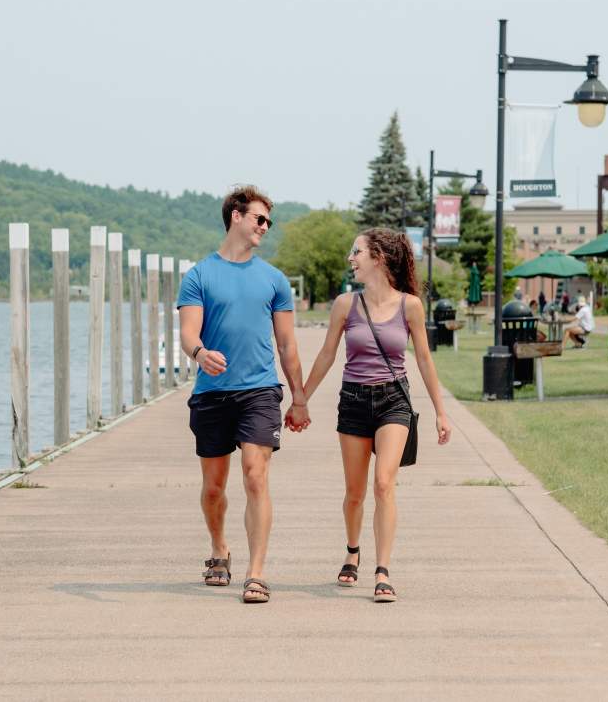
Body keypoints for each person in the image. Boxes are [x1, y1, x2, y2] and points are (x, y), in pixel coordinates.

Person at [295, 228, 451, 603]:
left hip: (393, 402)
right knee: (354, 492)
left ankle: (382, 571)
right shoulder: (345, 304)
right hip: (352, 401)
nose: (351, 258)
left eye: (357, 252)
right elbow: (327, 355)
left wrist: (441, 413)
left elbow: (425, 361)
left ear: (378, 257)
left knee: (384, 484)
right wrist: (301, 399)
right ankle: (353, 550)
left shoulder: (409, 305)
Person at [178, 185, 310, 604]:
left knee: (255, 474)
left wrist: (299, 396)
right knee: (214, 488)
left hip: (259, 391)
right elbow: (187, 333)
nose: (264, 227)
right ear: (236, 216)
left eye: (268, 221)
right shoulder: (199, 275)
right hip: (212, 393)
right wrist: (200, 353)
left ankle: (257, 572)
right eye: (259, 218)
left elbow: (287, 345)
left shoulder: (273, 280)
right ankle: (219, 548)